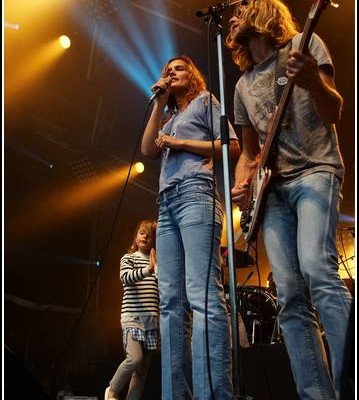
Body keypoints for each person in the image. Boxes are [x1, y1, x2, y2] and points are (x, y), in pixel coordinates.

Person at [225, 1, 353, 399]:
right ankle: (316, 394)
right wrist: (243, 183)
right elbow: (249, 152)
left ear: (263, 9)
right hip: (275, 192)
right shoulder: (242, 85)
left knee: (318, 271)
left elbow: (334, 111)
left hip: (316, 169)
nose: (233, 12)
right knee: (289, 296)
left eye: (243, 5)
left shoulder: (304, 44)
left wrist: (314, 81)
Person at [141, 55, 240, 399]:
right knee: (169, 304)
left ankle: (212, 393)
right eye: (166, 70)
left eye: (178, 69)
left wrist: (180, 143)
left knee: (203, 295)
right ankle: (175, 395)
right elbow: (146, 149)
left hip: (196, 193)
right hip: (166, 204)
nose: (170, 73)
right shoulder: (168, 119)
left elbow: (231, 145)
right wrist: (159, 103)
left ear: (193, 74)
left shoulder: (205, 101)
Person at [104, 219, 159, 400]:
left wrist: (156, 269)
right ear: (135, 237)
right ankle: (112, 389)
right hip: (133, 318)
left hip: (151, 322)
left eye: (150, 235)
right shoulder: (128, 258)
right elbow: (125, 278)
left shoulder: (157, 264)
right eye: (142, 232)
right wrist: (148, 270)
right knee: (135, 359)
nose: (146, 236)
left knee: (142, 371)